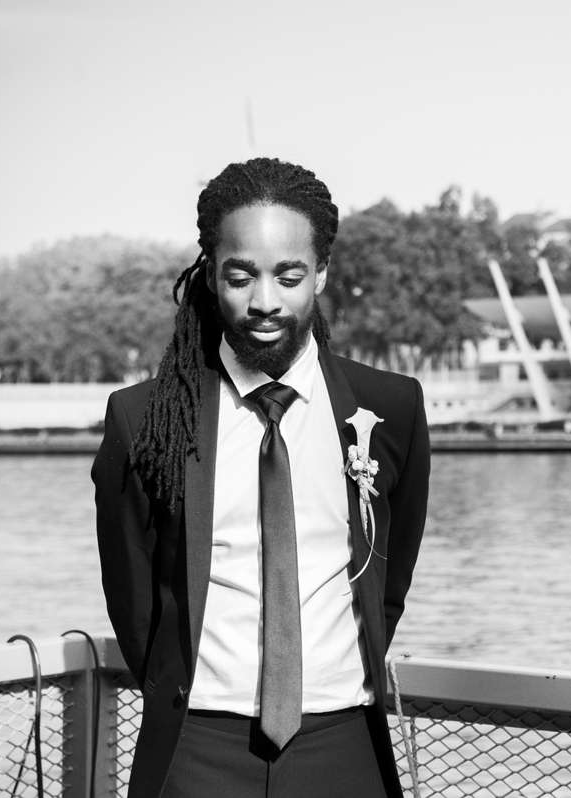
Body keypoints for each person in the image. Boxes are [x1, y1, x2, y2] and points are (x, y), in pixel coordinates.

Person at [92, 157, 430, 798]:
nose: (265, 301)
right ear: (211, 274)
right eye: (241, 276)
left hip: (345, 744)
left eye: (289, 276)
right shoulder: (144, 419)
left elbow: (390, 578)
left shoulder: (390, 408)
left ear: (321, 273)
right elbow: (133, 600)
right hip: (196, 749)